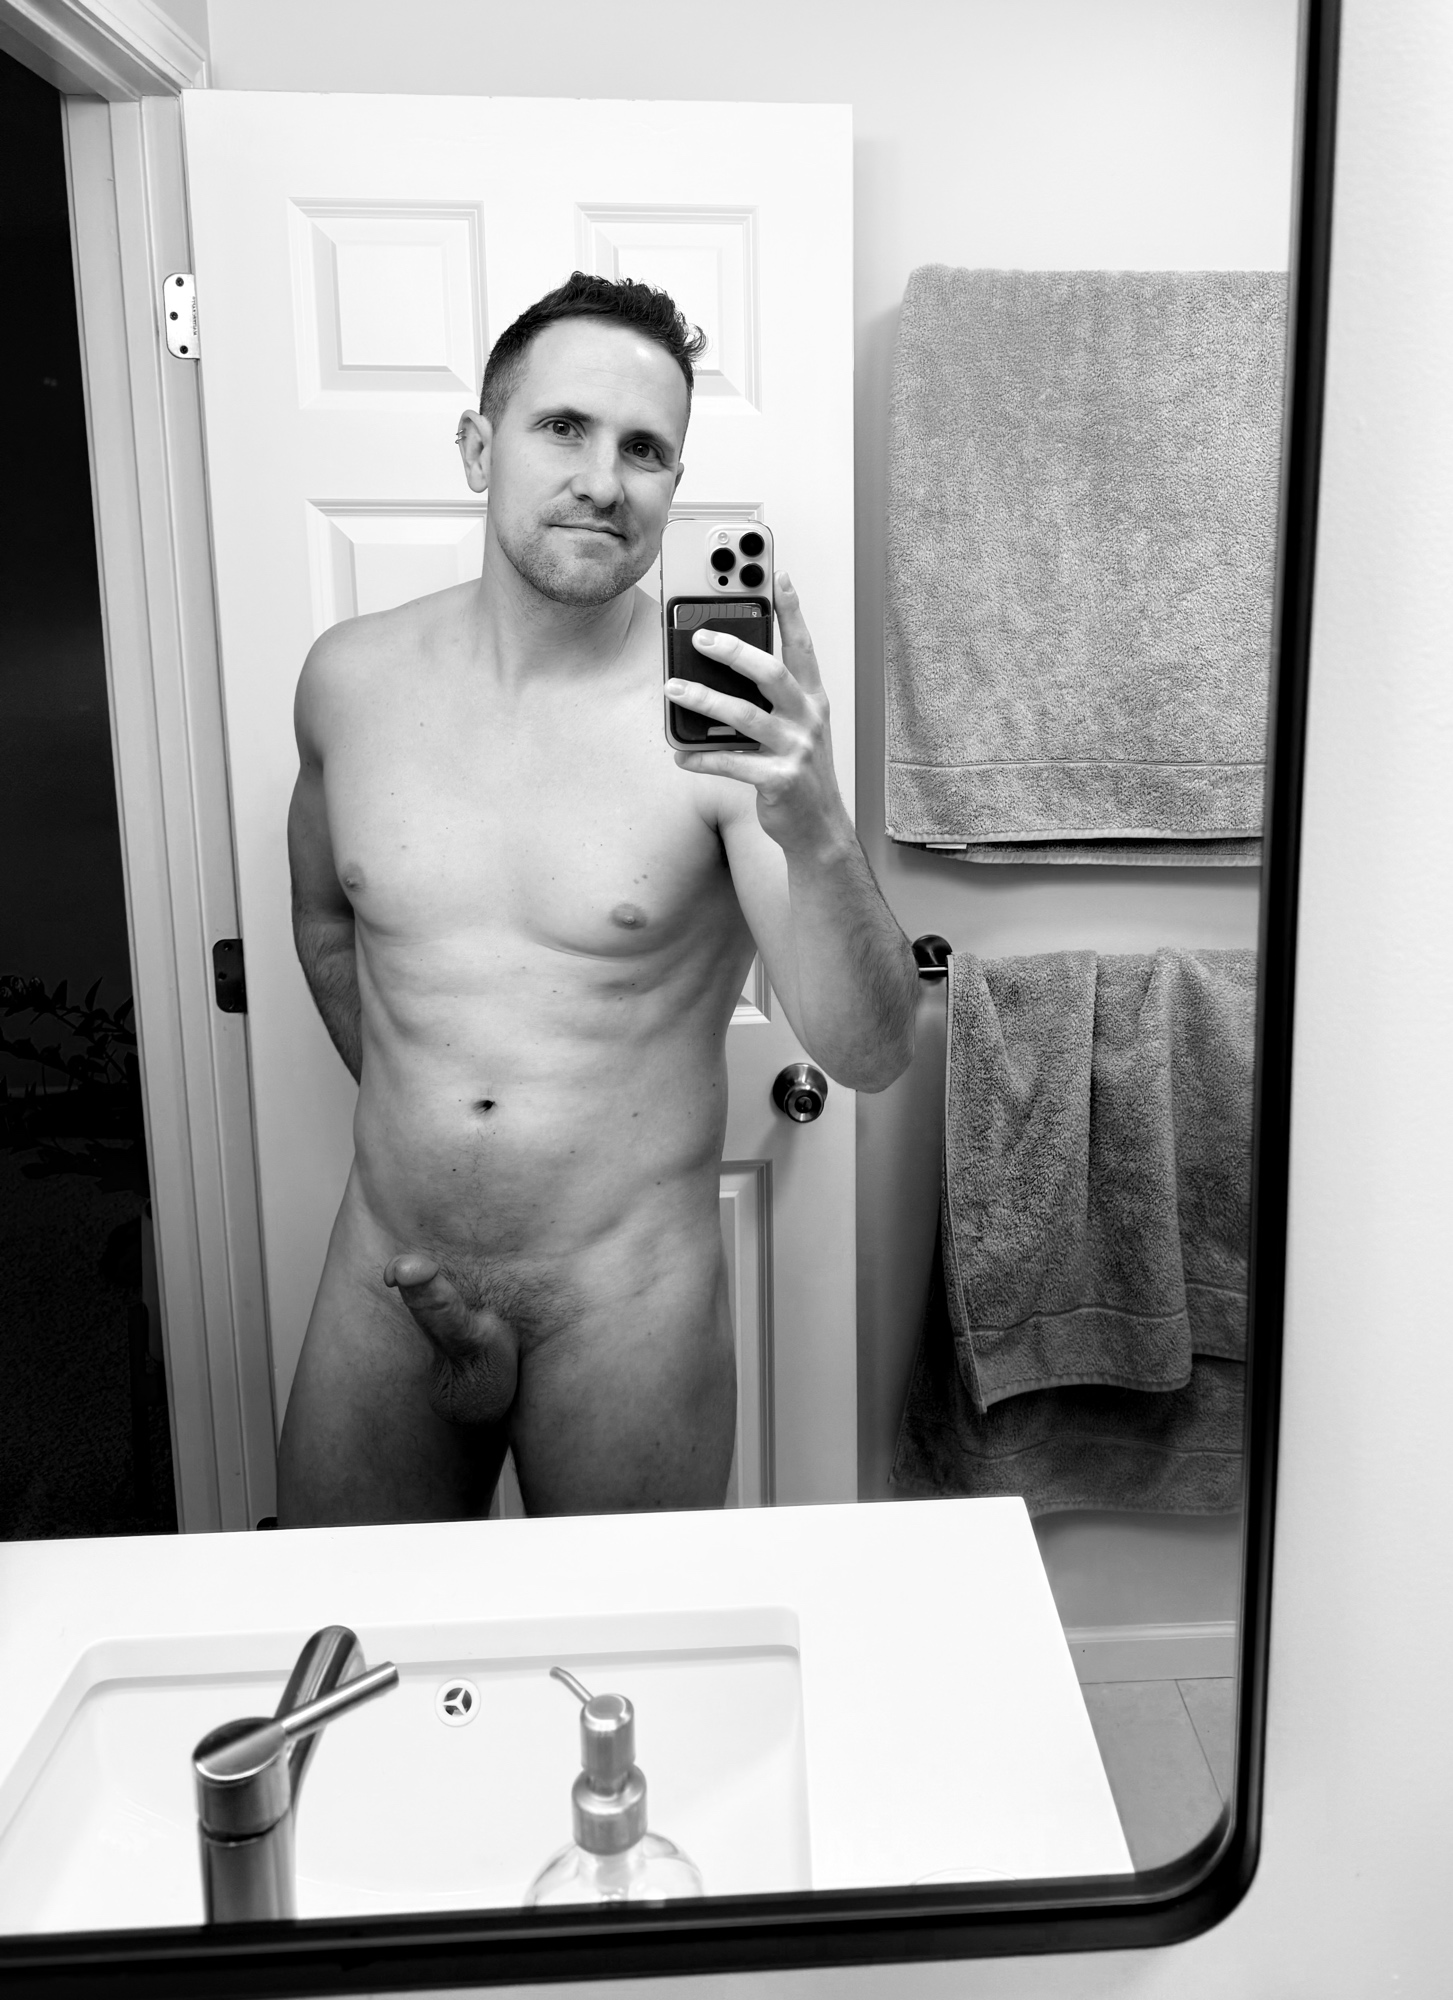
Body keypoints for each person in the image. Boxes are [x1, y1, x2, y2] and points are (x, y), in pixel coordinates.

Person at [277, 271, 917, 1526]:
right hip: (387, 1275)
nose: (604, 479)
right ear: (480, 447)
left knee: (634, 1640)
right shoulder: (347, 682)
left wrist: (816, 823)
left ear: (674, 482)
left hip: (625, 1303)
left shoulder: (725, 729)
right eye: (563, 427)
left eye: (645, 448)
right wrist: (438, 1137)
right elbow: (322, 919)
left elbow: (871, 1050)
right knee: (348, 1630)